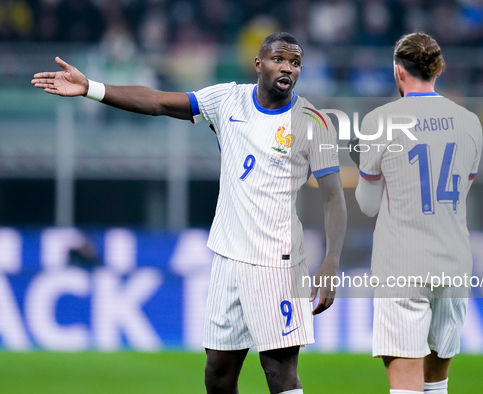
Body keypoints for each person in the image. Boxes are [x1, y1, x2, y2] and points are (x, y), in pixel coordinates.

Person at [32, 32, 347, 394]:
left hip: (277, 261)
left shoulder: (314, 122)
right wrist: (92, 88)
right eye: (279, 59)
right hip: (228, 256)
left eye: (295, 62)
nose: (287, 67)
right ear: (258, 64)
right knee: (218, 373)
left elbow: (334, 199)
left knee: (279, 371)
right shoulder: (228, 99)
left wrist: (331, 261)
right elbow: (158, 102)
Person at [353, 32, 482, 394]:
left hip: (403, 265)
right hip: (454, 261)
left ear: (398, 72)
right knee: (436, 384)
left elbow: (368, 204)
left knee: (406, 385)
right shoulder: (469, 121)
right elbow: (461, 192)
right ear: (439, 69)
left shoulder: (381, 121)